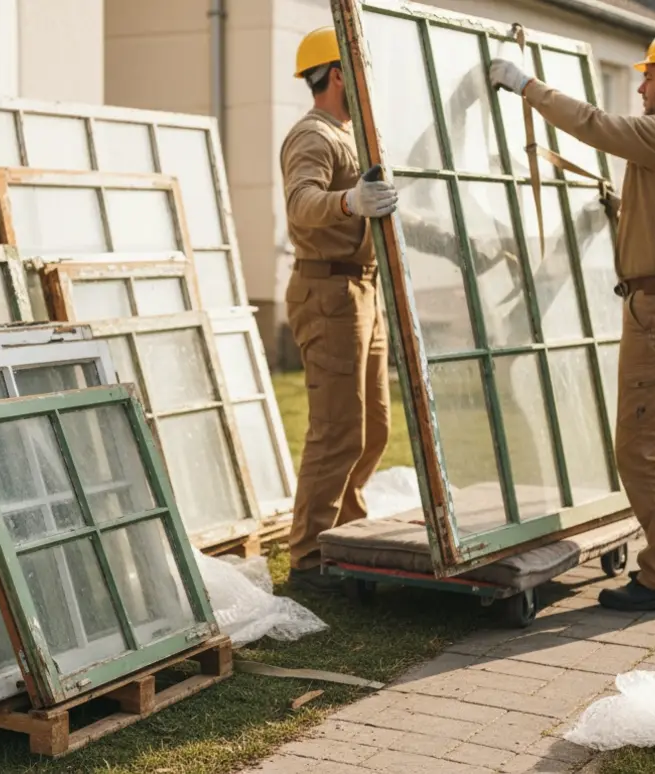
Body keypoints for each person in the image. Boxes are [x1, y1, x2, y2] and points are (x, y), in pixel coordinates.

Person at [489, 25, 655, 612]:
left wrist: (527, 86)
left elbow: (597, 126)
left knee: (642, 449)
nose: (640, 85)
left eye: (648, 76)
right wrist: (617, 208)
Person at [279, 26, 399, 591]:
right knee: (335, 429)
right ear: (335, 74)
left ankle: (345, 535)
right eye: (359, 70)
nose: (368, 80)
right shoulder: (313, 136)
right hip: (327, 294)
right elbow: (303, 204)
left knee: (374, 427)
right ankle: (308, 558)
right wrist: (351, 200)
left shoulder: (356, 136)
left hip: (361, 290)